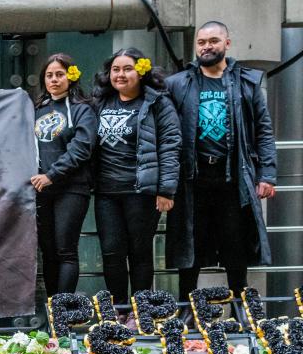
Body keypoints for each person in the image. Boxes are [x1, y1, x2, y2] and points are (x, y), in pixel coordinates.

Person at [165, 21, 277, 317]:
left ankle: (240, 308)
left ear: (227, 43)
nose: (206, 46)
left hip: (234, 177)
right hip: (192, 178)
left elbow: (263, 131)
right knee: (191, 245)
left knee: (234, 244)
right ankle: (186, 309)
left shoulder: (246, 82)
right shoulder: (178, 83)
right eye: (201, 42)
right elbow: (165, 132)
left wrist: (267, 174)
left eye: (213, 40)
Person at [91, 47, 181, 308]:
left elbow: (170, 144)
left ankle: (140, 311)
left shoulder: (157, 103)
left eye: (127, 69)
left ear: (141, 72)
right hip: (106, 191)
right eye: (115, 70)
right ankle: (118, 309)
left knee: (139, 252)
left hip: (141, 190)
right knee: (111, 252)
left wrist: (166, 190)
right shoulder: (100, 102)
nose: (120, 75)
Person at [31, 53, 97, 296]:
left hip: (72, 188)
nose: (54, 80)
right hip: (42, 190)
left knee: (65, 250)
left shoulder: (83, 110)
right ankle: (52, 312)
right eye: (49, 75)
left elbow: (82, 148)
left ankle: (64, 313)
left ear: (71, 77)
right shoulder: (37, 110)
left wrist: (52, 175)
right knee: (48, 251)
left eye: (60, 74)